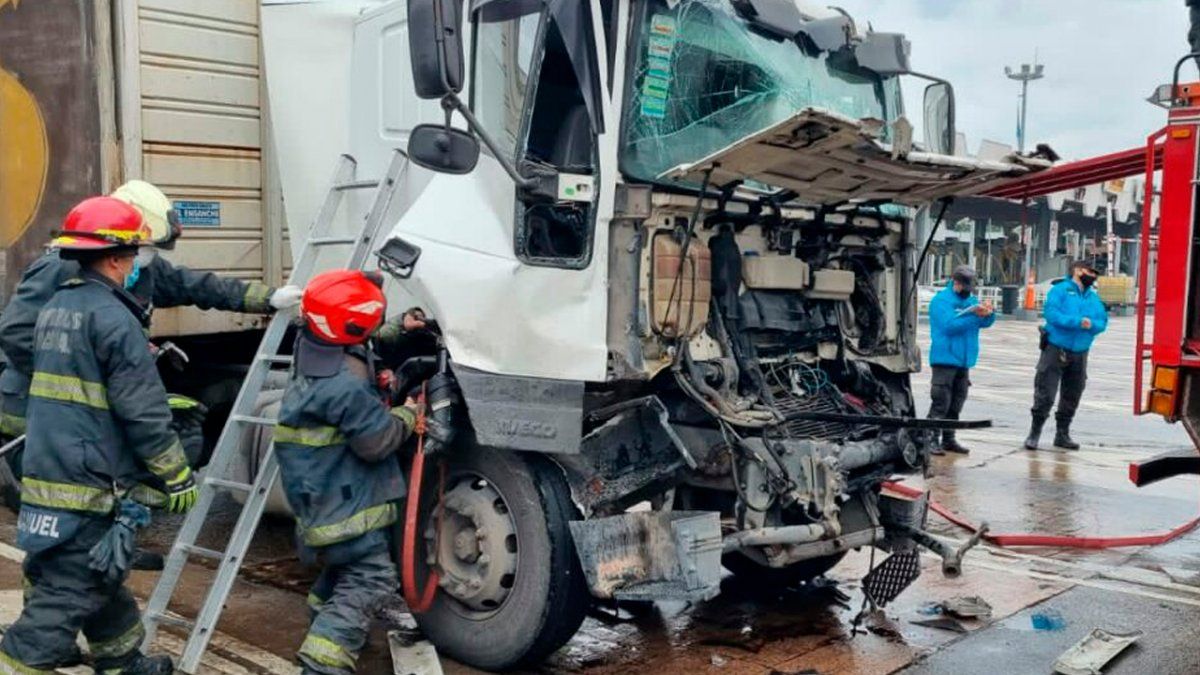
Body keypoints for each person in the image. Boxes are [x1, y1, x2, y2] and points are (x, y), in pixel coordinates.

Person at [0, 180, 302, 501]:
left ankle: (111, 537)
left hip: (92, 410)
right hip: (37, 406)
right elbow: (15, 332)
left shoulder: (141, 269)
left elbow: (198, 286)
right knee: (63, 496)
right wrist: (92, 374)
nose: (145, 255)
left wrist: (269, 298)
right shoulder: (62, 268)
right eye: (142, 246)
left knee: (110, 478)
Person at [0, 197, 197, 675]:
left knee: (98, 574)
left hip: (49, 469)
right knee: (71, 587)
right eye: (134, 256)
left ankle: (123, 661)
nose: (137, 266)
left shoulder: (56, 308)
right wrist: (176, 476)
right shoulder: (114, 319)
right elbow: (144, 411)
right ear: (114, 258)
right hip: (87, 480)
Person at [275, 269, 420, 674]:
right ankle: (322, 664)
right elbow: (377, 443)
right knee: (372, 579)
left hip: (317, 494)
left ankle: (323, 617)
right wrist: (409, 414)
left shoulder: (314, 345)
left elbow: (357, 337)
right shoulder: (344, 386)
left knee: (343, 568)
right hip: (344, 504)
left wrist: (398, 329)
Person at [1024, 259, 1108, 451]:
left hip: (1080, 351)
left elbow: (1102, 321)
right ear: (1078, 271)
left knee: (1073, 393)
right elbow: (1051, 315)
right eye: (1090, 272)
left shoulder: (1093, 298)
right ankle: (1034, 433)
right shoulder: (1060, 290)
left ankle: (1062, 434)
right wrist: (1076, 322)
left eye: (1095, 274)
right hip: (1056, 348)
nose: (1093, 276)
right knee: (1045, 392)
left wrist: (1092, 325)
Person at [926, 265, 995, 455]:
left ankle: (949, 438)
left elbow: (984, 323)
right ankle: (930, 438)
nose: (968, 291)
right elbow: (949, 326)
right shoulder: (941, 301)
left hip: (964, 360)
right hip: (945, 358)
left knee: (957, 402)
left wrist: (988, 313)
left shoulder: (970, 300)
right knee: (941, 402)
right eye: (965, 286)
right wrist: (974, 316)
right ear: (956, 283)